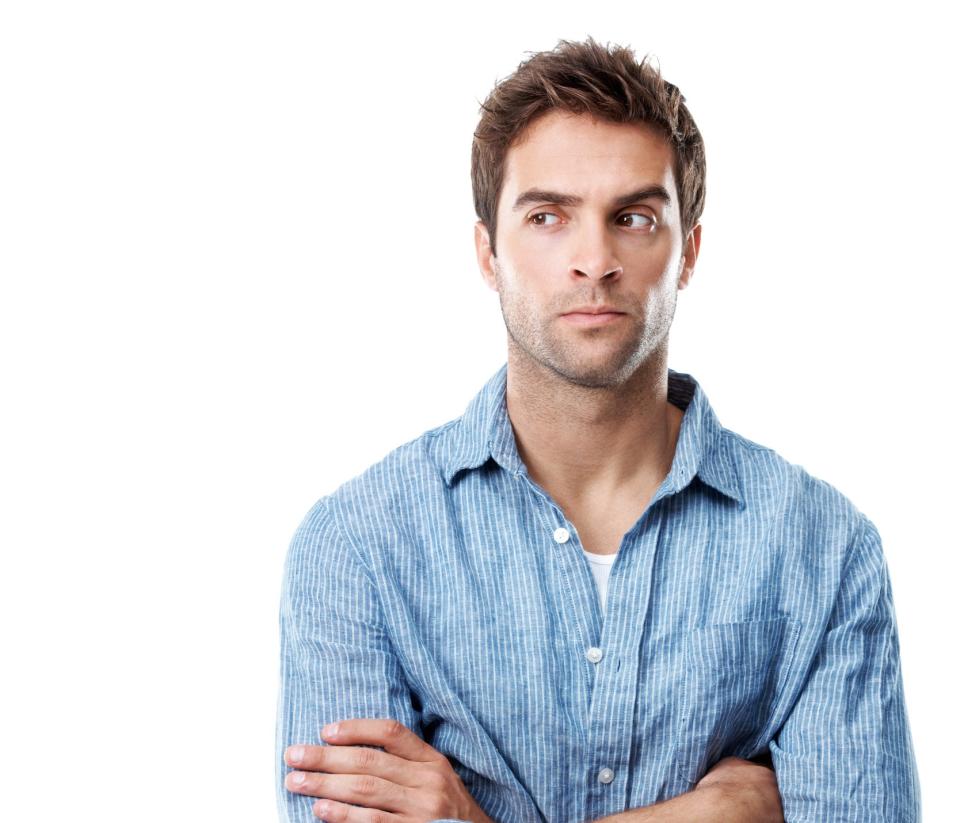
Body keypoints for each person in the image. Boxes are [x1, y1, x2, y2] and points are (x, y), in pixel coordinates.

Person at [276, 36, 920, 822]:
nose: (594, 259)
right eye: (548, 216)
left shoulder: (824, 548)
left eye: (635, 217)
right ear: (488, 251)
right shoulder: (359, 546)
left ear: (689, 250)